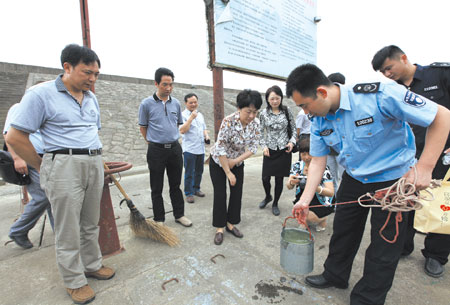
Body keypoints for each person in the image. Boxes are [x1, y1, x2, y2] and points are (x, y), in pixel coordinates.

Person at [285, 64, 450, 305]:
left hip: (393, 181)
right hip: (354, 178)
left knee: (384, 246)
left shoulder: (380, 95)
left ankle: (367, 299)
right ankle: (335, 274)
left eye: (304, 105)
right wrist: (304, 200)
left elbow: (442, 116)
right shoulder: (319, 120)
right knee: (343, 232)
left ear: (321, 92)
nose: (304, 112)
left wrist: (424, 167)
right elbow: (318, 162)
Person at [5, 44, 115, 304]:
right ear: (67, 67)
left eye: (96, 74)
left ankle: (92, 264)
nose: (92, 79)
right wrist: (42, 165)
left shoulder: (91, 98)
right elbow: (15, 136)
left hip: (92, 162)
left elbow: (91, 131)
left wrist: (99, 160)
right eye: (87, 72)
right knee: (68, 228)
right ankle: (74, 280)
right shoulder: (40, 94)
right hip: (63, 164)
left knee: (91, 222)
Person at [372, 45, 450, 278]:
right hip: (406, 156)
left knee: (440, 204)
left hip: (441, 155)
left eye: (389, 68)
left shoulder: (439, 75)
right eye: (382, 72)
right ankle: (403, 246)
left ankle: (436, 256)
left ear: (403, 58)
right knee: (404, 200)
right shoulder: (391, 90)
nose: (387, 74)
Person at [138, 67, 192, 227]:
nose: (168, 88)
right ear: (156, 84)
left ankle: (179, 215)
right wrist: (151, 142)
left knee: (176, 185)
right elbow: (143, 126)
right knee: (157, 187)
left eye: (171, 84)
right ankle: (159, 219)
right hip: (156, 150)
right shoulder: (146, 104)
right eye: (164, 84)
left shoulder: (175, 103)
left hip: (175, 149)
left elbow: (176, 125)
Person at [210, 89, 262, 245]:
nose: (251, 116)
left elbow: (253, 147)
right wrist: (228, 171)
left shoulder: (256, 123)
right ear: (239, 108)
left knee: (237, 192)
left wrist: (236, 161)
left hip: (237, 161)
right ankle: (219, 227)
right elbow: (220, 148)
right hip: (219, 162)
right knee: (220, 194)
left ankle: (230, 224)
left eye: (255, 112)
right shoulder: (228, 121)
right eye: (248, 112)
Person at [3, 103, 54, 249]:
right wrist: (17, 158)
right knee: (43, 196)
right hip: (29, 157)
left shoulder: (44, 108)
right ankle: (18, 230)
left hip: (47, 157)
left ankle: (59, 230)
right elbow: (8, 134)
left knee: (54, 195)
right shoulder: (20, 107)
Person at [258, 85, 296, 216]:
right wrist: (263, 146)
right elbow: (260, 132)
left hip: (284, 149)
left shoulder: (287, 110)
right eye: (272, 98)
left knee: (279, 179)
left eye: (277, 98)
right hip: (269, 149)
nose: (275, 101)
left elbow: (294, 129)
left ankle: (275, 203)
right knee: (265, 178)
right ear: (267, 99)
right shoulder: (263, 113)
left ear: (281, 98)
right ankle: (268, 196)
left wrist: (292, 142)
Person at [286, 134, 334, 231]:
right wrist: (292, 182)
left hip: (320, 198)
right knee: (298, 212)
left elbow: (331, 192)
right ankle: (304, 222)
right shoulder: (297, 166)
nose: (306, 157)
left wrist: (316, 187)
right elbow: (288, 186)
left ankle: (322, 219)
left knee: (310, 217)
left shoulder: (323, 167)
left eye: (309, 153)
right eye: (303, 154)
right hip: (303, 196)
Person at [179, 93, 210, 204]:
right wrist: (191, 118)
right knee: (189, 172)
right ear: (186, 103)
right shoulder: (182, 115)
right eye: (191, 102)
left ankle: (196, 188)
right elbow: (182, 130)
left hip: (200, 148)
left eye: (195, 102)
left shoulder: (200, 115)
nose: (193, 104)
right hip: (189, 149)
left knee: (199, 171)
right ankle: (188, 193)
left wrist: (206, 135)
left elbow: (204, 128)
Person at [326, 72, 346, 191]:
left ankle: (341, 204)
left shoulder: (346, 107)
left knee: (344, 178)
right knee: (330, 178)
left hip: (343, 152)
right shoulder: (325, 108)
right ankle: (333, 202)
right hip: (329, 151)